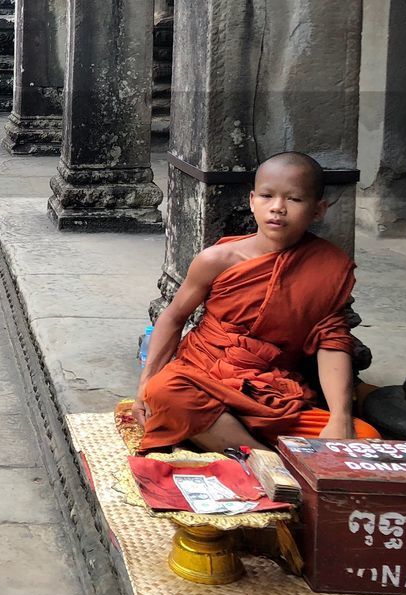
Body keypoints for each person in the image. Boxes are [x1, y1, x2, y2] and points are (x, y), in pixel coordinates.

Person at [133, 151, 378, 453]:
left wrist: (340, 417)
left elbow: (332, 341)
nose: (278, 208)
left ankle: (237, 447)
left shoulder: (328, 265)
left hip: (271, 393)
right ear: (252, 201)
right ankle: (266, 459)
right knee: (164, 392)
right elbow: (173, 317)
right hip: (205, 375)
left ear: (318, 210)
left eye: (295, 199)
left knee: (365, 438)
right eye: (267, 196)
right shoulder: (217, 259)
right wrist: (145, 384)